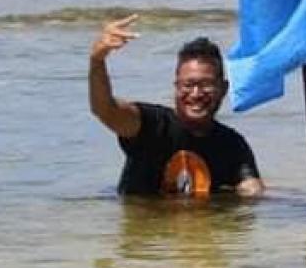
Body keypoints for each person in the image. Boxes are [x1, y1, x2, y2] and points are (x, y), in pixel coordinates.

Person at [88, 15, 264, 197]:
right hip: (146, 222)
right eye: (188, 85)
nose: (196, 94)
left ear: (224, 88)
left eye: (206, 85)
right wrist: (97, 60)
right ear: (176, 86)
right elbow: (105, 110)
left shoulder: (232, 145)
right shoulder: (150, 126)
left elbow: (252, 192)